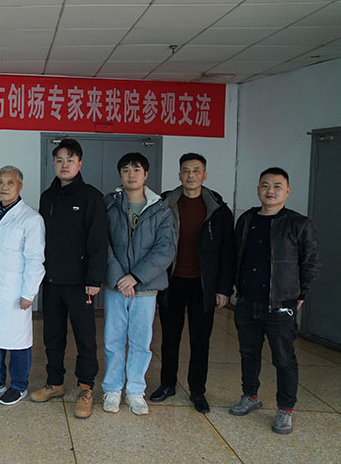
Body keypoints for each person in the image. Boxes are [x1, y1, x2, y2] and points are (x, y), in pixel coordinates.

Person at [229, 167, 320, 435]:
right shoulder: (247, 219)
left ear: (287, 191)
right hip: (247, 302)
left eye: (277, 186)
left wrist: (300, 294)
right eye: (265, 185)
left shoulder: (298, 224)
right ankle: (250, 396)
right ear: (258, 189)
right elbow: (236, 256)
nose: (271, 191)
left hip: (281, 305)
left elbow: (311, 263)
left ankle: (285, 408)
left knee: (284, 359)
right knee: (248, 353)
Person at [149, 153, 234, 414]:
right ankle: (167, 384)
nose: (191, 175)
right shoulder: (165, 204)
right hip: (172, 281)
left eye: (196, 170)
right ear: (179, 175)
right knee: (169, 337)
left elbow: (228, 252)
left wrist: (224, 288)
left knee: (200, 340)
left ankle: (198, 390)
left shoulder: (219, 210)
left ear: (204, 175)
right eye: (186, 170)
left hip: (203, 284)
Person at [30, 139, 108, 419]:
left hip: (80, 282)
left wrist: (94, 278)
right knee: (52, 335)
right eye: (59, 160)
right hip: (52, 280)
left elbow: (98, 240)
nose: (64, 165)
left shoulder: (91, 197)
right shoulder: (47, 197)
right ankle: (55, 383)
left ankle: (85, 388)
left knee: (85, 337)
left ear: (80, 163)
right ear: (54, 163)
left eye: (70, 160)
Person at [102, 152, 175, 415]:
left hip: (145, 287)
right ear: (120, 175)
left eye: (136, 169)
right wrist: (119, 277)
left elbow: (165, 249)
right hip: (115, 285)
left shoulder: (161, 208)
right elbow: (102, 242)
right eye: (125, 170)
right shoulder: (110, 204)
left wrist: (136, 277)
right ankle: (112, 388)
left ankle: (135, 390)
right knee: (113, 339)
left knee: (141, 341)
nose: (131, 174)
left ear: (146, 174)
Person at [0, 166, 45, 406]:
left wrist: (28, 293)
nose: (4, 187)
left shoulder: (31, 219)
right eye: (1, 182)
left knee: (17, 340)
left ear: (20, 186)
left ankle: (19, 385)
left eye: (10, 183)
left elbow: (35, 259)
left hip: (14, 290)